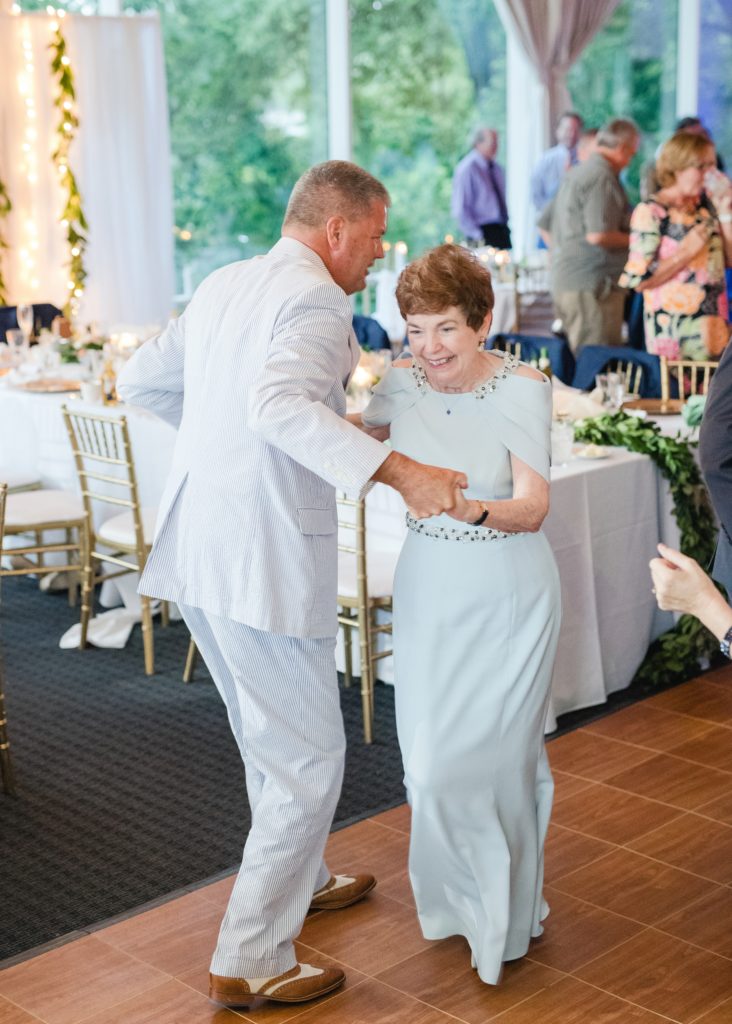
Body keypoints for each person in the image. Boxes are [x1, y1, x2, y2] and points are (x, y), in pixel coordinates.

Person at [116, 161, 468, 1009]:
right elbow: (275, 408)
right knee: (309, 760)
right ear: (336, 229)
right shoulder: (316, 298)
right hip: (258, 554)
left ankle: (301, 878)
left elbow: (141, 382)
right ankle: (252, 955)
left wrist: (231, 443)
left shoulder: (225, 282)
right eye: (375, 235)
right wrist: (403, 472)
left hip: (198, 544)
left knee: (267, 738)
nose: (380, 252)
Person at [359, 243, 561, 984]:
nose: (429, 346)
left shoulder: (523, 387)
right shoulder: (398, 382)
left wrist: (465, 504)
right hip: (428, 588)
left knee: (491, 764)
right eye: (415, 329)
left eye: (445, 327)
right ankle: (455, 904)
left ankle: (502, 918)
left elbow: (533, 508)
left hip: (507, 592)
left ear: (481, 322)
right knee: (427, 765)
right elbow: (354, 444)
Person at [620, 132, 732, 361]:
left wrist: (726, 213)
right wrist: (685, 252)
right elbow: (640, 281)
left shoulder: (707, 208)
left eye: (712, 165)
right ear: (677, 168)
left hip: (715, 328)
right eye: (701, 166)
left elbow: (729, 261)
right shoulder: (652, 211)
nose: (710, 173)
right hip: (674, 332)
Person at [537, 117, 639, 352]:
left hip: (568, 280)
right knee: (595, 361)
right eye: (632, 153)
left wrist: (560, 254)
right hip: (593, 286)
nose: (630, 160)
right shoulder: (602, 176)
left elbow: (544, 224)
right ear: (622, 148)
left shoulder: (575, 174)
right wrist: (640, 240)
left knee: (581, 359)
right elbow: (598, 235)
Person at [451, 128, 511, 249]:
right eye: (492, 142)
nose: (496, 147)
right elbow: (460, 209)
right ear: (478, 143)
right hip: (480, 233)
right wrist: (478, 236)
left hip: (501, 231)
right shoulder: (467, 169)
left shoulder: (497, 168)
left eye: (497, 142)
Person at [530, 110, 583, 214]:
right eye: (568, 130)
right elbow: (535, 194)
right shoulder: (545, 160)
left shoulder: (585, 160)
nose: (571, 134)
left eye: (576, 130)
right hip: (551, 217)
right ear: (558, 131)